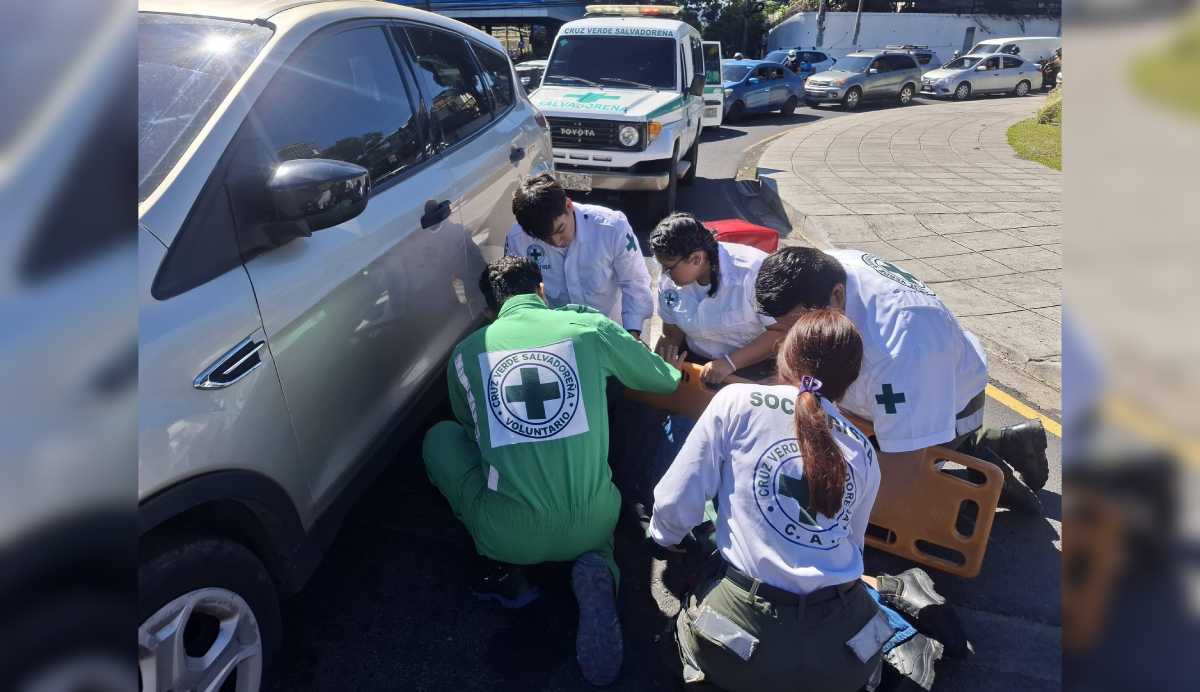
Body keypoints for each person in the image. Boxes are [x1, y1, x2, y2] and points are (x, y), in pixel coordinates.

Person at [422, 256, 682, 685]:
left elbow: (471, 430)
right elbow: (664, 380)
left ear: (489, 311)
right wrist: (665, 361)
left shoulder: (468, 352)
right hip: (596, 518)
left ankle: (505, 571)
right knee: (592, 528)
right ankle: (600, 565)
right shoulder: (587, 328)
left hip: (509, 534)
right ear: (541, 291)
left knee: (441, 438)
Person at [651, 310, 888, 692]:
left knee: (677, 635)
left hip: (744, 641)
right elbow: (853, 544)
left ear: (785, 355)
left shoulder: (737, 401)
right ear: (851, 379)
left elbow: (676, 501)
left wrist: (664, 536)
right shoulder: (863, 450)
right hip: (844, 654)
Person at [753, 247, 1049, 514]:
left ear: (838, 296)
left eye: (798, 326)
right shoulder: (818, 271)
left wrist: (836, 529)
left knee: (909, 490)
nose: (791, 337)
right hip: (919, 371)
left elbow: (905, 463)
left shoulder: (898, 349)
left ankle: (997, 476)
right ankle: (1010, 440)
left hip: (951, 395)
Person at [505, 173, 654, 340]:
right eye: (544, 238)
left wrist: (632, 333)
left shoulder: (612, 227)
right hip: (557, 339)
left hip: (615, 334)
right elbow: (520, 298)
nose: (556, 242)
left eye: (560, 230)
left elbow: (634, 282)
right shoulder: (517, 239)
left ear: (569, 206)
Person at [649, 213, 783, 384]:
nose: (664, 274)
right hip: (695, 368)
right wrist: (654, 372)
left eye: (668, 267)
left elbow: (780, 331)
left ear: (696, 258)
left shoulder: (754, 272)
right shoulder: (670, 280)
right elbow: (671, 335)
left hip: (753, 370)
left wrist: (730, 363)